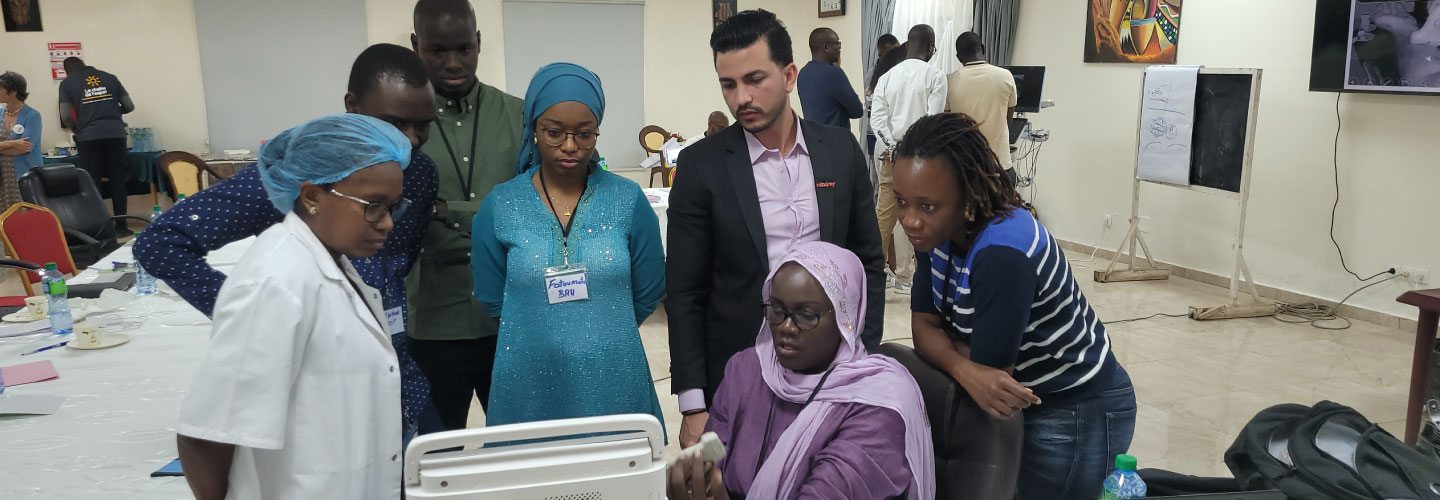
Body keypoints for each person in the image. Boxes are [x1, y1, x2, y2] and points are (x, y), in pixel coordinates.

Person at [133, 43, 440, 437]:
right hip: (326, 394)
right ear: (352, 105)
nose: (412, 140)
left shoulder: (420, 173)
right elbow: (160, 242)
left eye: (423, 125)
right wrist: (243, 314)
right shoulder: (305, 173)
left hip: (398, 375)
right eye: (395, 123)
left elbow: (399, 262)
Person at [668, 9, 886, 449]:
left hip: (832, 370)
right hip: (739, 370)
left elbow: (868, 264)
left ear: (789, 76)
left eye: (754, 80)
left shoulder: (839, 151)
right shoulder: (702, 165)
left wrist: (862, 355)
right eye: (728, 85)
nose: (740, 98)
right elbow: (685, 292)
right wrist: (694, 404)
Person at [894, 113, 1136, 500]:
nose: (910, 220)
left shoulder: (1001, 253)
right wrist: (963, 366)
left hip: (1074, 406)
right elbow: (923, 326)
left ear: (966, 193)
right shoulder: (935, 234)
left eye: (926, 205)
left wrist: (959, 358)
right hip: (1026, 403)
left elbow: (994, 378)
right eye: (902, 201)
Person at [176, 114, 413, 500]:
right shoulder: (276, 282)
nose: (387, 223)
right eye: (373, 206)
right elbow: (207, 436)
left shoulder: (329, 260)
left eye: (392, 207)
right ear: (312, 196)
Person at [472, 62, 665, 429]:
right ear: (532, 129)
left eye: (585, 134)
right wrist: (539, 331)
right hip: (529, 381)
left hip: (615, 379)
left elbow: (649, 288)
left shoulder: (627, 200)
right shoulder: (501, 205)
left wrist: (605, 329)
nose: (570, 146)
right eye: (555, 132)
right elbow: (493, 298)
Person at [667, 241, 934, 500]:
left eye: (807, 315)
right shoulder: (747, 370)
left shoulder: (876, 407)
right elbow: (713, 464)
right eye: (777, 310)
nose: (786, 327)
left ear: (846, 321)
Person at [406, 0, 525, 431]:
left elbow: (530, 213)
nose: (453, 63)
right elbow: (404, 217)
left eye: (464, 49)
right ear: (416, 45)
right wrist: (490, 218)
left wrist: (444, 212)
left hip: (513, 321)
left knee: (522, 452)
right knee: (437, 458)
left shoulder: (520, 115)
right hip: (434, 325)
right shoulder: (402, 123)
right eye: (437, 51)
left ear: (478, 42)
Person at [870, 25, 946, 295]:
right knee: (916, 213)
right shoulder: (936, 76)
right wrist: (910, 148)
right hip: (920, 158)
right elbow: (931, 121)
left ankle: (874, 272)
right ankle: (905, 274)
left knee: (885, 213)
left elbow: (876, 120)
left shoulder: (888, 77)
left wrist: (893, 146)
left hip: (890, 156)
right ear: (931, 47)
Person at [58, 57, 135, 233]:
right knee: (118, 180)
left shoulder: (68, 83)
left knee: (93, 182)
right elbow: (129, 106)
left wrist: (77, 129)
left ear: (66, 70)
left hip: (88, 137)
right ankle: (122, 226)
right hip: (116, 134)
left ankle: (101, 228)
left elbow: (66, 115)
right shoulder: (110, 77)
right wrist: (112, 111)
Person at [946, 31, 1018, 184]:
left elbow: (947, 123)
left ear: (959, 57)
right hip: (1000, 166)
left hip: (965, 168)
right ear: (983, 48)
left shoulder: (949, 81)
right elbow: (1007, 118)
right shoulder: (1006, 76)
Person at [797, 27, 863, 130]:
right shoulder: (834, 73)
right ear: (826, 47)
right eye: (837, 44)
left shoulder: (803, 73)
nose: (839, 48)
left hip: (813, 140)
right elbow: (857, 111)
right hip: (835, 141)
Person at [0, 71, 40, 210]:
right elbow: (17, 146)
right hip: (3, 176)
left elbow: (25, 148)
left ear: (13, 91)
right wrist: (11, 143)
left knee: (27, 213)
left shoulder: (32, 115)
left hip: (25, 174)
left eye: (0, 88)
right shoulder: (0, 114)